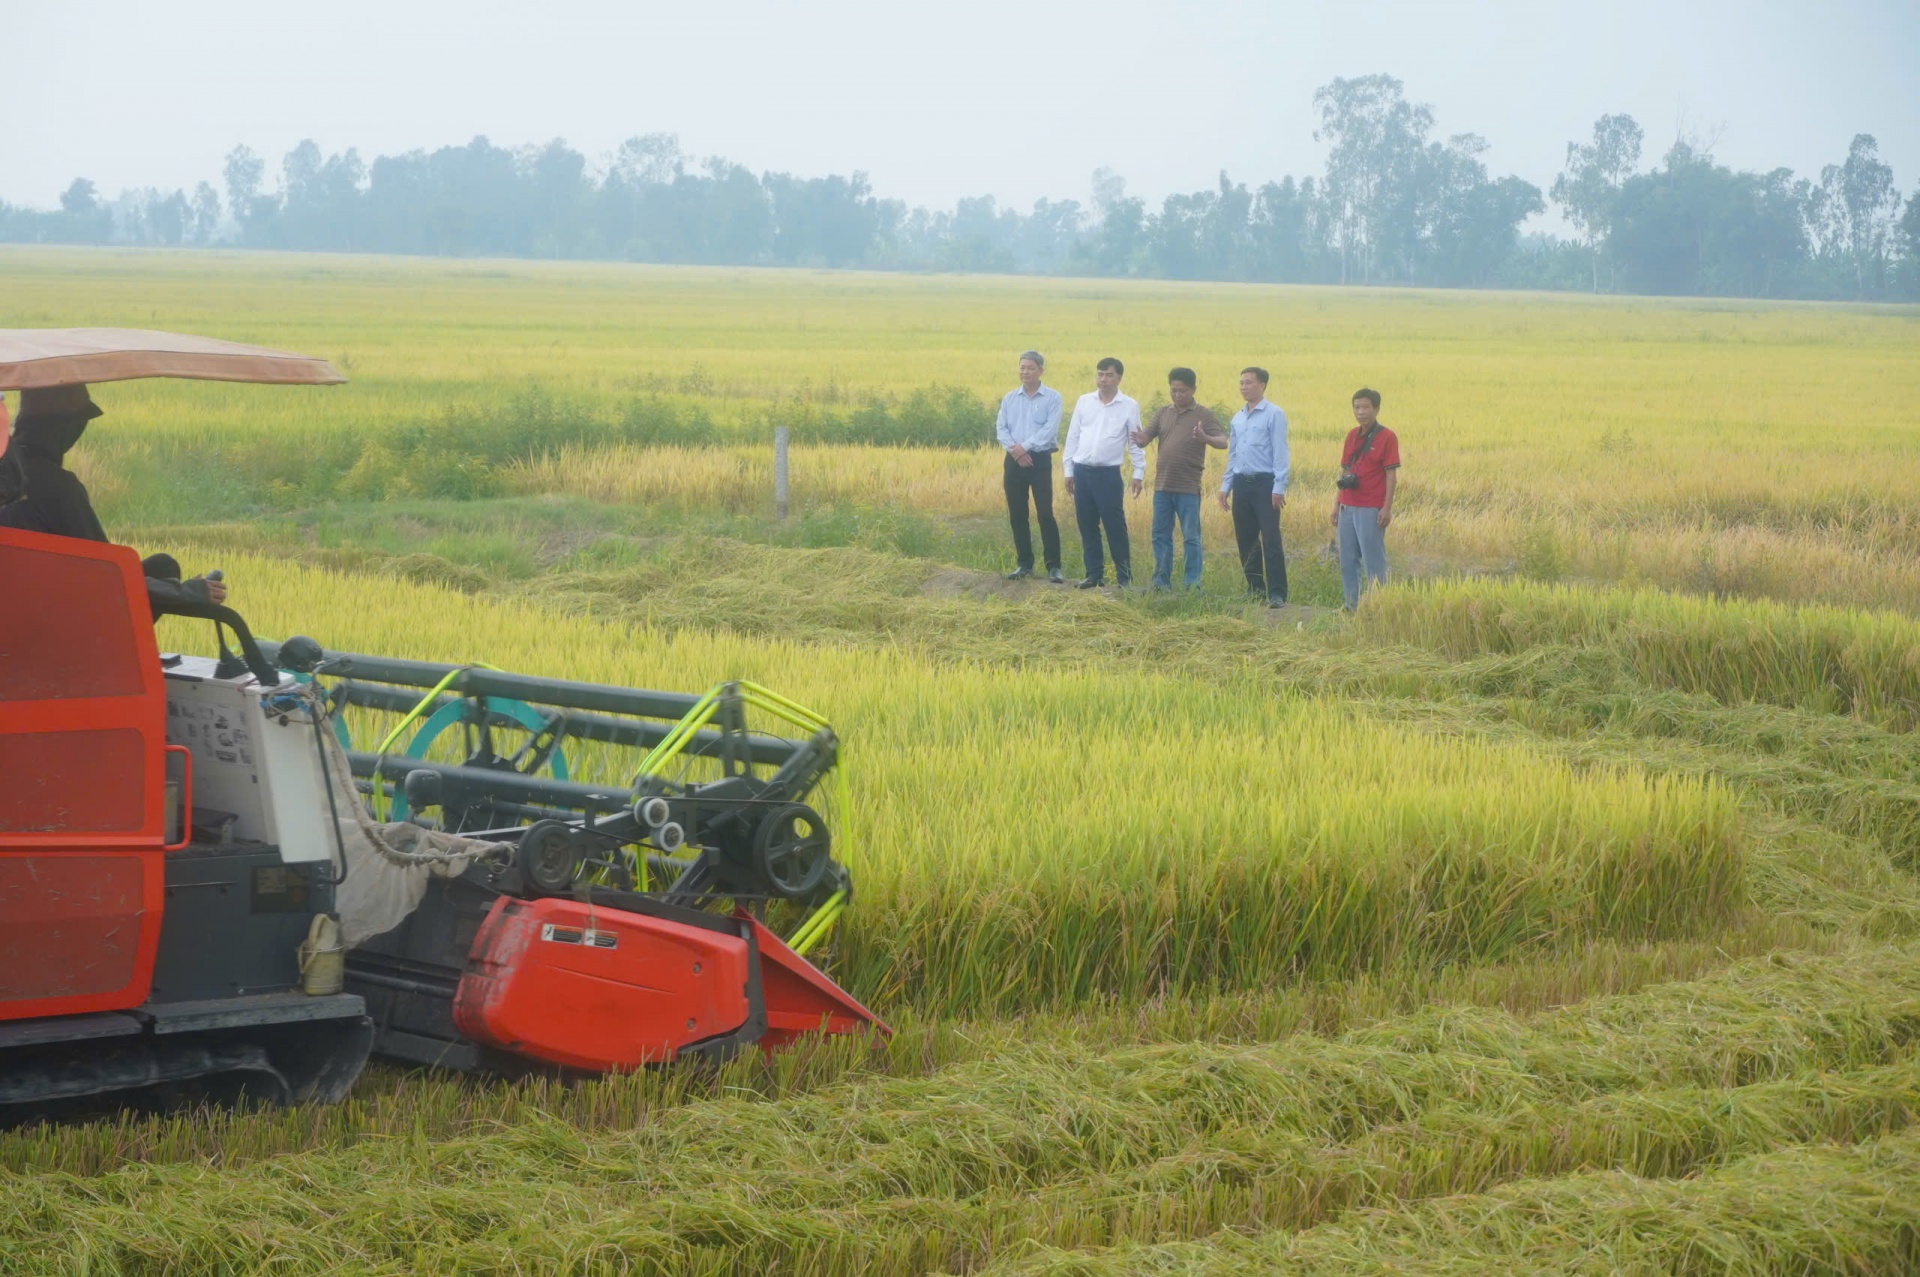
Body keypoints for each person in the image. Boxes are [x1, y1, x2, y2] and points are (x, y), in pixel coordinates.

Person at [0, 384, 228, 613]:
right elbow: (107, 575)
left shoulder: (10, 473)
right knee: (161, 569)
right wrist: (188, 593)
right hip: (55, 621)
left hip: (18, 613)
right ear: (65, 426)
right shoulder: (58, 487)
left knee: (162, 567)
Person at [1130, 367, 1225, 589]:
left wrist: (1205, 437)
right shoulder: (1163, 412)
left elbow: (1223, 441)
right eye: (1173, 390)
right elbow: (1146, 438)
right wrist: (1139, 437)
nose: (1177, 395)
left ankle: (1192, 584)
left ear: (1193, 390)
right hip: (1162, 486)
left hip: (1188, 487)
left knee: (1191, 537)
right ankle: (1161, 582)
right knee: (1160, 535)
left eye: (1182, 391)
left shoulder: (1204, 415)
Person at [1062, 357, 1144, 588]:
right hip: (1082, 472)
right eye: (1100, 374)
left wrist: (1138, 472)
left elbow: (1135, 441)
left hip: (1108, 475)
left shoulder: (1129, 405)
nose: (1103, 379)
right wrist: (1068, 470)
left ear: (1119, 377)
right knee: (1087, 525)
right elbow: (1073, 437)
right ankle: (1094, 574)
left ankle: (1124, 578)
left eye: (1108, 375)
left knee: (1114, 526)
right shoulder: (1084, 401)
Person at [1218, 366, 1288, 607]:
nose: (1244, 387)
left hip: (1265, 484)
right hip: (1241, 483)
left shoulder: (1274, 414)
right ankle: (1255, 589)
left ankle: (1277, 593)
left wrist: (1279, 486)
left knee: (1270, 539)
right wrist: (1225, 486)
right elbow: (1233, 454)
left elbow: (1280, 452)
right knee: (1246, 539)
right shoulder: (1237, 418)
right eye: (1241, 383)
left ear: (1262, 385)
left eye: (1249, 382)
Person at [995, 350, 1064, 582]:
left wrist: (1024, 447)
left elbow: (1049, 430)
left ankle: (1054, 566)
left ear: (1041, 371)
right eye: (1022, 367)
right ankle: (1024, 564)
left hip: (1040, 460)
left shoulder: (1052, 398)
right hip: (1014, 461)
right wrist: (1016, 451)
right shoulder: (1009, 398)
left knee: (1045, 513)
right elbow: (1001, 429)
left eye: (1030, 368)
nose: (1025, 372)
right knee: (1017, 514)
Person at [1331, 387, 1400, 611]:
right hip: (1347, 506)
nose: (1360, 412)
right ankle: (1351, 605)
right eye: (1357, 407)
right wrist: (1336, 504)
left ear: (1376, 409)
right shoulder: (1352, 435)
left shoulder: (1387, 437)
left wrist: (1386, 508)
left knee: (1374, 561)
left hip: (1370, 507)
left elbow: (1391, 474)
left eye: (1365, 407)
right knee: (1347, 560)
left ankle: (1377, 607)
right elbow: (1344, 471)